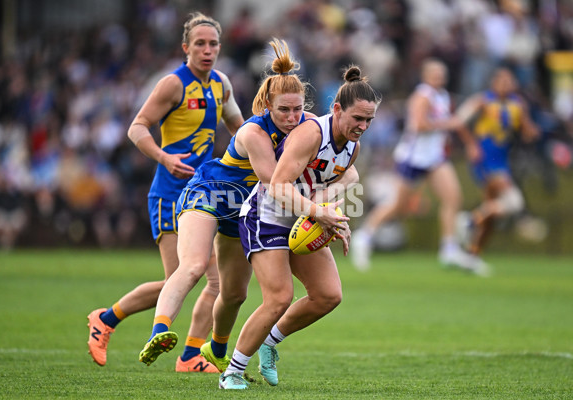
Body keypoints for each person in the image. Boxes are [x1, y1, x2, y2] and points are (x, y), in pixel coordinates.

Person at [137, 38, 319, 368]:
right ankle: (159, 332)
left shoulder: (307, 127)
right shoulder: (254, 133)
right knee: (192, 266)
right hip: (209, 194)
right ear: (266, 106)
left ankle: (216, 351)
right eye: (284, 110)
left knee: (235, 294)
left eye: (298, 109)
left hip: (244, 211)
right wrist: (318, 210)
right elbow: (274, 183)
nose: (292, 117)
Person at [86, 12, 244, 372]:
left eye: (213, 44)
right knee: (181, 278)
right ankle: (106, 319)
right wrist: (163, 156)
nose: (207, 50)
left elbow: (241, 128)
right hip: (170, 193)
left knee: (217, 281)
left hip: (204, 194)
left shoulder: (221, 84)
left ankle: (190, 355)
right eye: (200, 44)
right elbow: (137, 127)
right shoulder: (173, 84)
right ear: (185, 47)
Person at [216, 65, 381, 390]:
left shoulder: (352, 145)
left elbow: (338, 181)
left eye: (369, 121)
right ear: (336, 109)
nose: (362, 126)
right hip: (265, 215)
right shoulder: (311, 133)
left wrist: (334, 217)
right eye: (357, 118)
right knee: (279, 297)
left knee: (328, 295)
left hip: (300, 217)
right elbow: (277, 184)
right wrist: (319, 212)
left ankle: (269, 342)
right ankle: (232, 372)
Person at [350, 58, 487, 275]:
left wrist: (468, 139)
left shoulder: (441, 96)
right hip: (413, 158)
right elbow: (420, 125)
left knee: (453, 198)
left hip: (434, 158)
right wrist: (451, 124)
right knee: (398, 206)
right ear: (425, 76)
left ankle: (449, 248)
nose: (439, 78)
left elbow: (452, 122)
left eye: (441, 74)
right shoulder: (422, 96)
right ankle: (364, 236)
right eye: (434, 74)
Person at [454, 67, 539, 262]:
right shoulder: (482, 100)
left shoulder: (518, 105)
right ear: (494, 83)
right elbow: (458, 121)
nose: (506, 85)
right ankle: (469, 220)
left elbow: (527, 131)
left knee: (491, 214)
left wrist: (533, 132)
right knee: (514, 202)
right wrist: (471, 145)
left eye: (510, 81)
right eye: (502, 81)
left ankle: (472, 256)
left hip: (501, 161)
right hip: (485, 159)